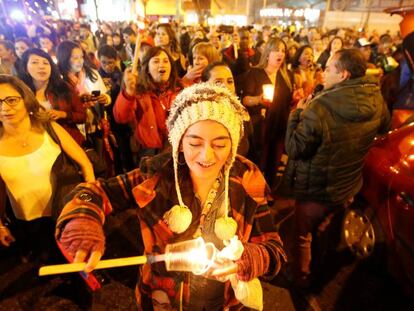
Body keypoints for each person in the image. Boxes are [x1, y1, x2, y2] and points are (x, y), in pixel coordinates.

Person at [54, 82, 286, 310]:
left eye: (220, 144)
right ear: (180, 143)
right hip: (161, 299)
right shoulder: (156, 176)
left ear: (233, 146)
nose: (207, 155)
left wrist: (249, 258)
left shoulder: (246, 181)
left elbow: (274, 249)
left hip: (222, 301)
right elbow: (94, 191)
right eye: (195, 142)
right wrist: (83, 222)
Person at [284, 49, 391, 287]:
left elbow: (294, 148)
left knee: (302, 234)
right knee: (325, 228)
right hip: (348, 184)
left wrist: (296, 114)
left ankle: (300, 277)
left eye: (329, 68)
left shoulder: (320, 107)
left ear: (343, 74)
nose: (323, 72)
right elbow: (384, 127)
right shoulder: (375, 96)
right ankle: (320, 266)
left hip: (316, 187)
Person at [0, 74, 94, 254]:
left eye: (11, 100)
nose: (5, 108)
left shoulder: (50, 129)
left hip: (69, 213)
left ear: (26, 101)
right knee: (49, 260)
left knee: (82, 259)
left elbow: (85, 164)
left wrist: (90, 202)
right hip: (29, 223)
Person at [241, 38, 294, 190]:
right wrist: (259, 99)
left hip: (280, 123)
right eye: (276, 50)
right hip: (261, 125)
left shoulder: (287, 75)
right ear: (267, 53)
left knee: (274, 161)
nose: (280, 54)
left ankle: (268, 191)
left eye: (283, 51)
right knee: (259, 160)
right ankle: (253, 192)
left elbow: (288, 100)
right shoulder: (255, 73)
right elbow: (245, 100)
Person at [114, 46, 181, 161]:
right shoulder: (139, 92)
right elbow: (121, 117)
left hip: (177, 150)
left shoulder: (180, 90)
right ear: (147, 68)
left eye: (166, 61)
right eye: (156, 61)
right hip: (149, 153)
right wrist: (129, 93)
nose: (162, 65)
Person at [18, 48, 86, 146]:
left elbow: (82, 116)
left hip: (70, 141)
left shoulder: (63, 87)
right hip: (39, 145)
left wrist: (63, 114)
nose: (41, 66)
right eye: (35, 62)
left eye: (46, 63)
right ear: (26, 69)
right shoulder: (20, 93)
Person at [201, 61, 252, 157]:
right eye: (218, 82)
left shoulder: (241, 113)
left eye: (230, 81)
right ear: (204, 85)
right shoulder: (197, 116)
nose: (226, 86)